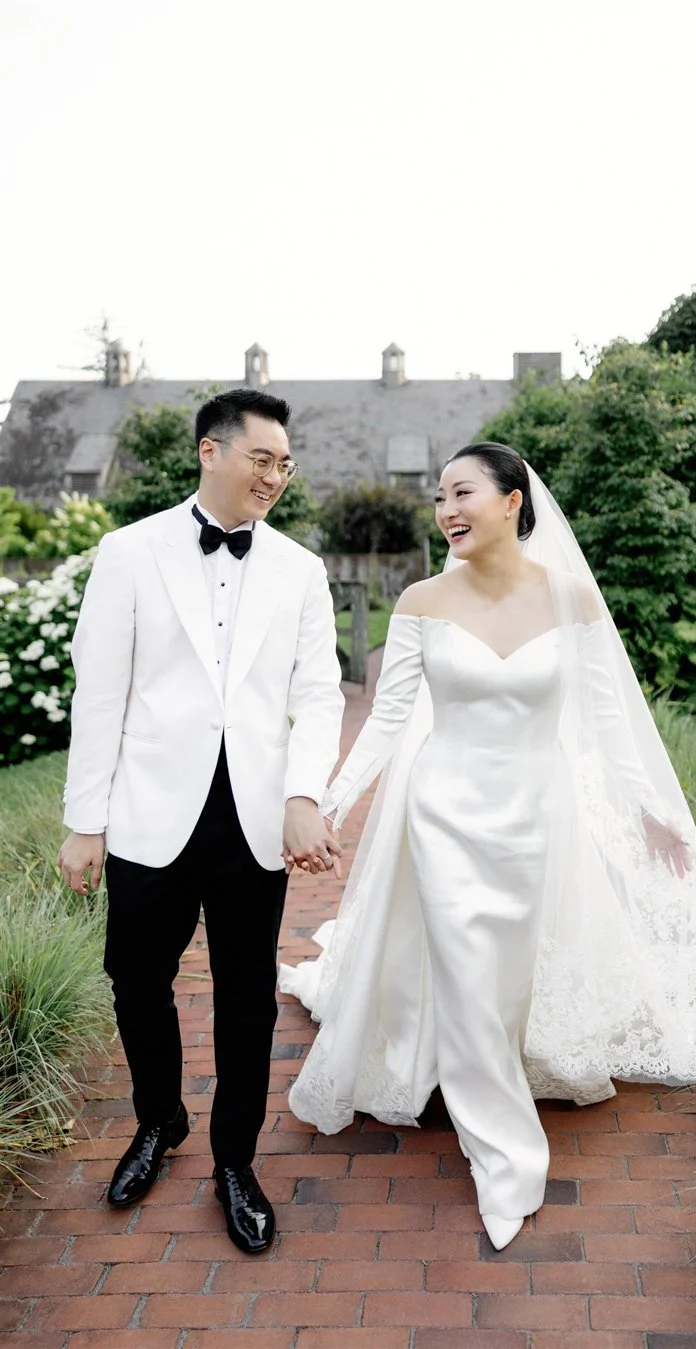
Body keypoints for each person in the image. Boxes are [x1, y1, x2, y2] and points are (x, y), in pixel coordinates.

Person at [281, 442, 696, 1251]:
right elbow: (387, 722)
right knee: (463, 971)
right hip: (444, 811)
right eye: (437, 498)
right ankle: (506, 1158)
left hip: (536, 815)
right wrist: (331, 805)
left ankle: (472, 1071)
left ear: (512, 502)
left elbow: (605, 723)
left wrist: (650, 814)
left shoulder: (572, 599)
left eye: (462, 492)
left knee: (504, 983)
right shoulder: (422, 599)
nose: (446, 510)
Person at [57, 389, 344, 1254]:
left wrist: (303, 794)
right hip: (149, 812)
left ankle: (235, 1160)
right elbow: (99, 689)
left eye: (286, 464)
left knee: (246, 996)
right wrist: (84, 819)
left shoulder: (301, 568)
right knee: (135, 977)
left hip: (254, 816)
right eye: (263, 459)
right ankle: (157, 1122)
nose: (276, 476)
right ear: (209, 453)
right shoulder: (129, 551)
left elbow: (318, 693)